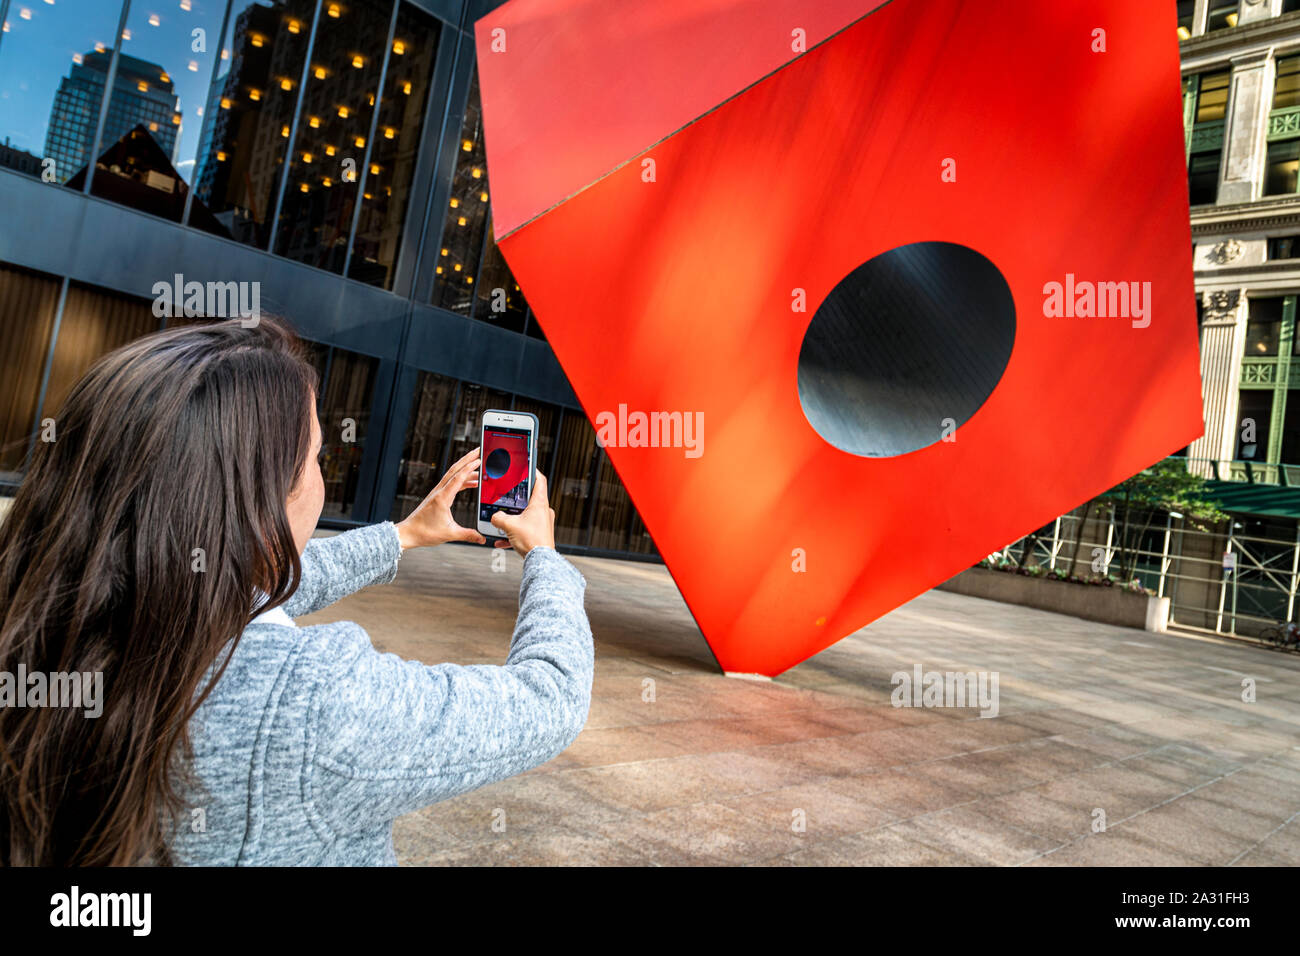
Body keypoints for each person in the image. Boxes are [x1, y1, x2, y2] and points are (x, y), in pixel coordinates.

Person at [0, 317, 593, 865]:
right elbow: (550, 698)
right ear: (261, 502)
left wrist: (405, 536)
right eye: (314, 457)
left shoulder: (50, 612)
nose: (320, 474)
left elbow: (259, 583)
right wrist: (544, 556)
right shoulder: (313, 708)